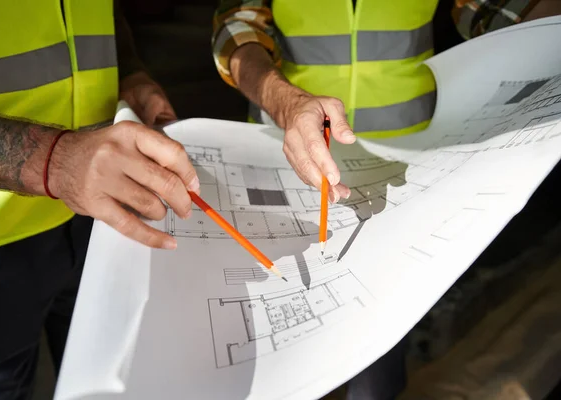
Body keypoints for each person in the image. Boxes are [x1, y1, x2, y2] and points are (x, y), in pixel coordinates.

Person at [211, 0, 560, 399]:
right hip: (291, 160)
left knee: (377, 342)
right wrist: (284, 101)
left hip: (406, 172)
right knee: (280, 340)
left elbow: (494, 11)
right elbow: (236, 28)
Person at [0, 1, 198, 398]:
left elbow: (102, 15)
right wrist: (58, 161)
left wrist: (130, 76)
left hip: (96, 218)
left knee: (112, 384)